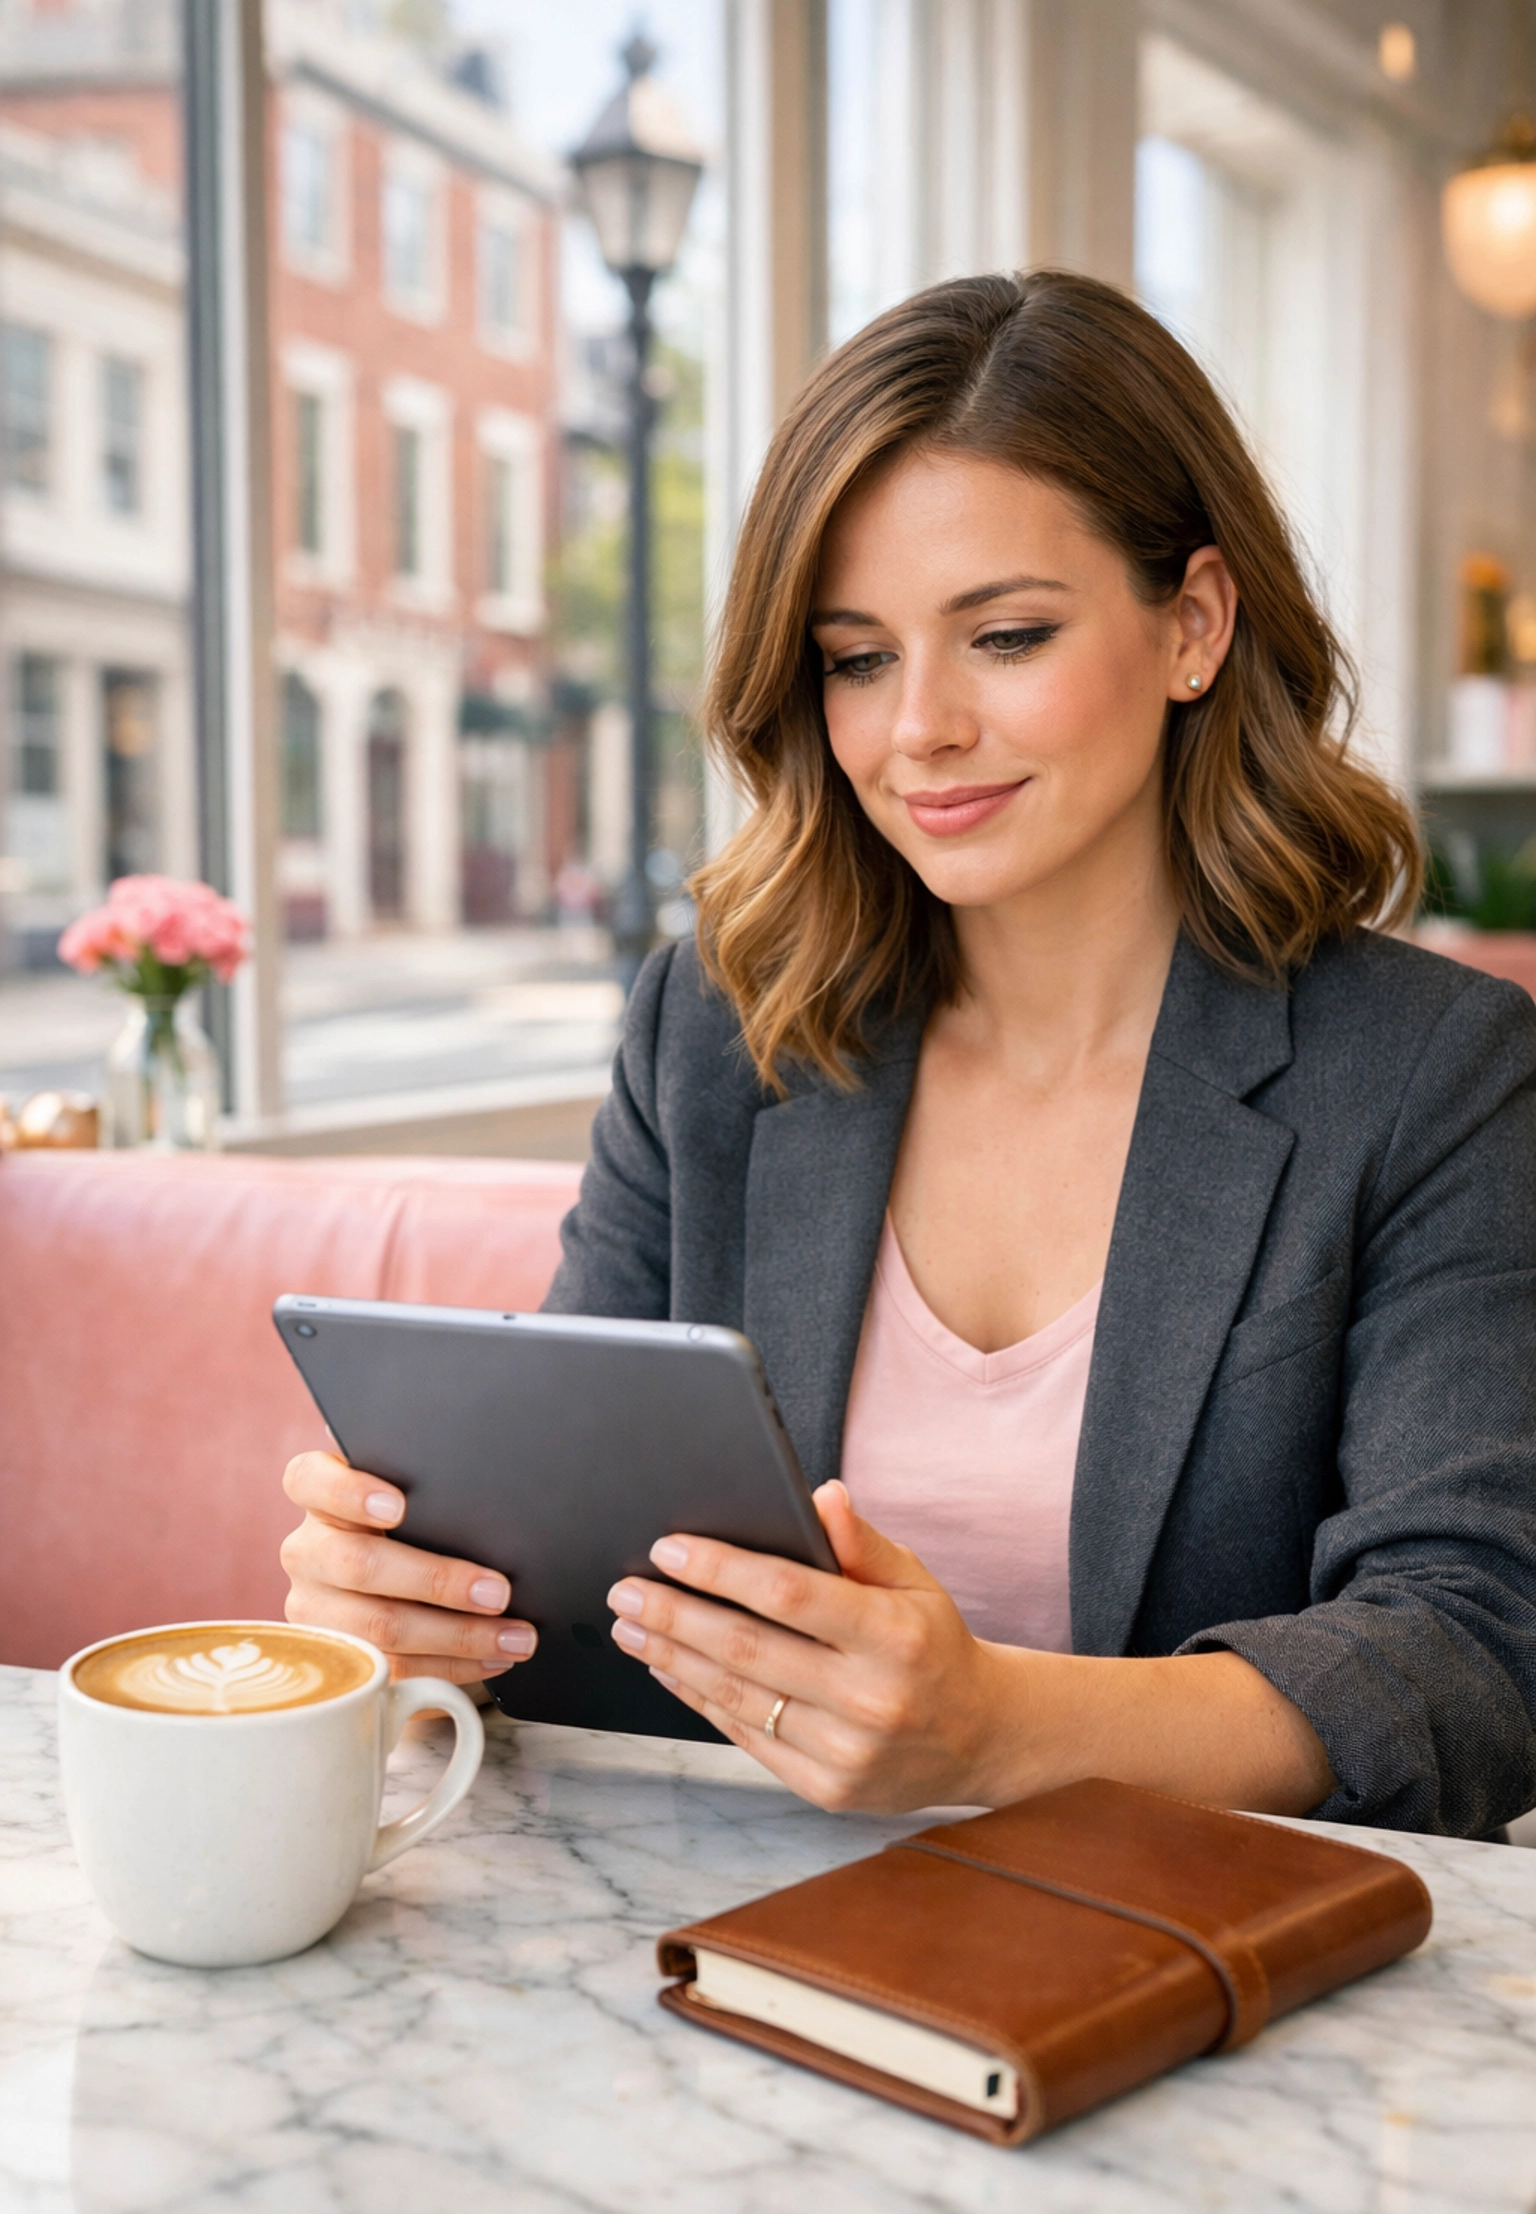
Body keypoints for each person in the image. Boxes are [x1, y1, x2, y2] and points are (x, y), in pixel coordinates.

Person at [281, 270, 1536, 1838]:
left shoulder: (1432, 1073)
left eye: (1004, 635)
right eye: (858, 657)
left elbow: (1473, 1654)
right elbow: (586, 1580)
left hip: (1212, 1977)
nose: (917, 728)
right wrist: (432, 1612)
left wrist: (999, 1728)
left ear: (1196, 625)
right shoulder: (716, 1036)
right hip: (740, 1950)